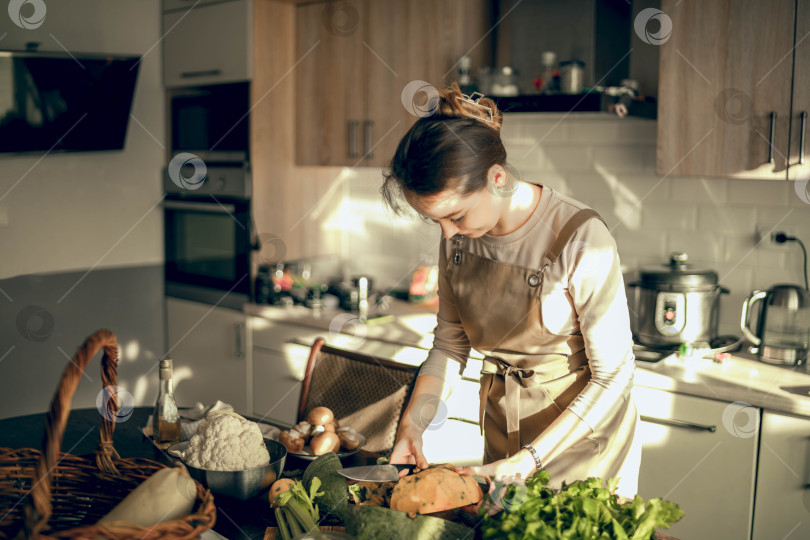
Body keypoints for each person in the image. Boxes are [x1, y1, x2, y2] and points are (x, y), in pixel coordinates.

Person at [383, 83, 641, 496]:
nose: (448, 233)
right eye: (437, 222)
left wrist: (531, 459)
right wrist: (412, 426)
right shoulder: (459, 237)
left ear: (497, 179)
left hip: (583, 450)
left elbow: (613, 377)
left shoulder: (580, 239)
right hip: (505, 444)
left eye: (456, 216)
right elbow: (450, 346)